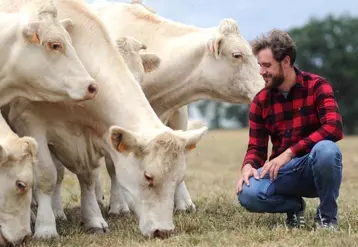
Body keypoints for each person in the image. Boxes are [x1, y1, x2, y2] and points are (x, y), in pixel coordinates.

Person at [235, 29, 343, 230]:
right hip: (281, 173)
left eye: (267, 65)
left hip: (314, 167)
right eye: (260, 65)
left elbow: (334, 127)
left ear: (286, 62)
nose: (261, 71)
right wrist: (248, 166)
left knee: (327, 150)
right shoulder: (260, 101)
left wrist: (290, 152)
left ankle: (327, 217)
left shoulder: (318, 86)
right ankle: (294, 206)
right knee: (247, 193)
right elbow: (256, 148)